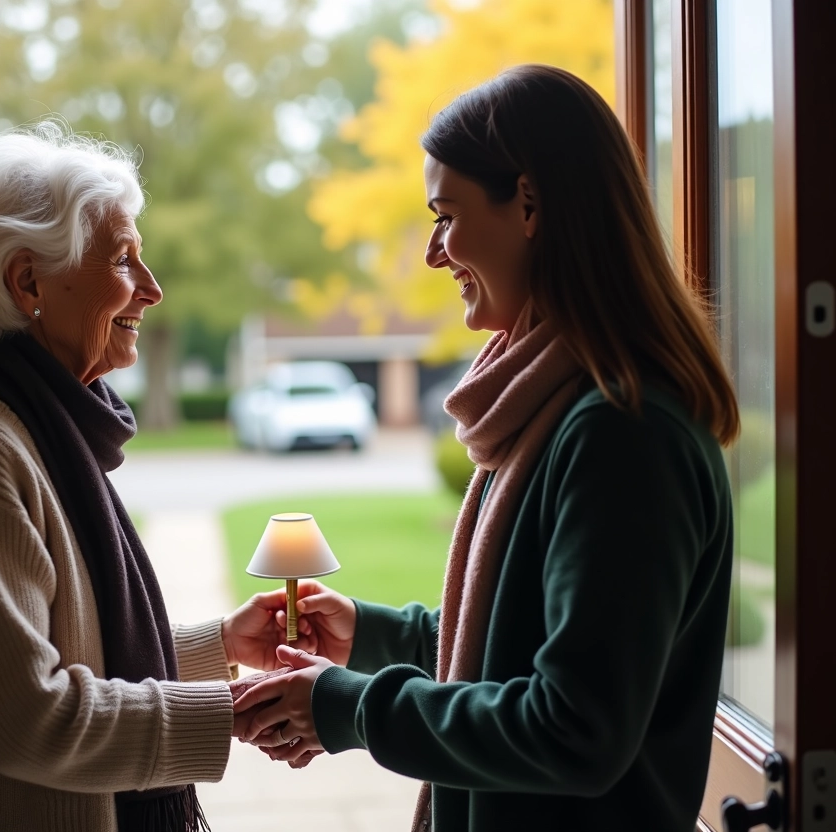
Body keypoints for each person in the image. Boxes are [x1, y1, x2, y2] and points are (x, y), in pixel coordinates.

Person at [233, 64, 739, 832]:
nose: (435, 252)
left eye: (446, 213)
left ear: (530, 203)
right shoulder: (553, 407)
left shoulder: (621, 436)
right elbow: (516, 643)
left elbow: (574, 728)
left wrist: (352, 709)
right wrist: (371, 634)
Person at [0, 123, 291, 832]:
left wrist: (221, 645)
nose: (154, 289)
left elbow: (77, 645)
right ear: (27, 282)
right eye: (126, 259)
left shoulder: (29, 424)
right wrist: (234, 713)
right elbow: (29, 720)